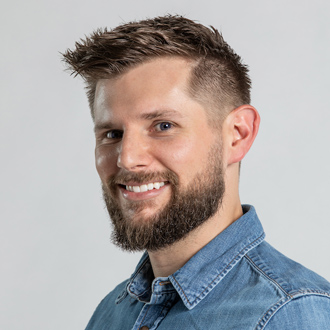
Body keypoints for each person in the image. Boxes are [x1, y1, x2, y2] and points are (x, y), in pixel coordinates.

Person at [62, 15, 330, 329]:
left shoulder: (287, 315)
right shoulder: (112, 314)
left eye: (163, 126)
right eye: (112, 134)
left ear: (237, 135)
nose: (127, 159)